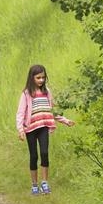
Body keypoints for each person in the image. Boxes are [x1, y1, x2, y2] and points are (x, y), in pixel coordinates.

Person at [15, 64, 75, 195]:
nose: (41, 80)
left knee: (44, 153)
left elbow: (52, 111)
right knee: (34, 156)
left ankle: (45, 182)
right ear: (32, 78)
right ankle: (34, 184)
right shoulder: (26, 94)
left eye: (43, 77)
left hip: (43, 126)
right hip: (31, 128)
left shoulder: (47, 92)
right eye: (38, 78)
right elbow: (20, 113)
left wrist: (66, 121)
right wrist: (20, 130)